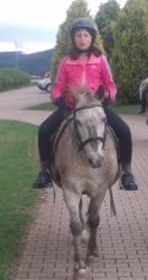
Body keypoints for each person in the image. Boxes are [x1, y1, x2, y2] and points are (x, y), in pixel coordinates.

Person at [31, 17, 138, 191]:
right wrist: (58, 99)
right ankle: (45, 171)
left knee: (124, 131)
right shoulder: (66, 61)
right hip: (71, 108)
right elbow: (58, 85)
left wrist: (109, 96)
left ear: (92, 38)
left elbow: (110, 84)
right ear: (73, 38)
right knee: (44, 130)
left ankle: (127, 172)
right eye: (79, 35)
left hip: (96, 107)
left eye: (86, 35)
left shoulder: (100, 59)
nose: (82, 39)